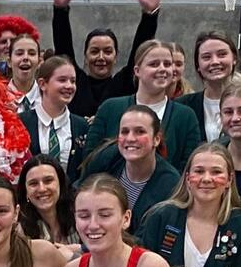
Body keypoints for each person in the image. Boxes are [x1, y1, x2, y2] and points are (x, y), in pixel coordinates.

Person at [48, 0, 163, 119]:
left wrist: (149, 16)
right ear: (85, 56)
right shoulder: (74, 83)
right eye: (95, 51)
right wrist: (60, 10)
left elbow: (139, 53)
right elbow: (64, 48)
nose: (101, 57)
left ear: (116, 56)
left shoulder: (124, 83)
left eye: (108, 51)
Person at [83, 40, 203, 172]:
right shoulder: (110, 108)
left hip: (168, 191)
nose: (162, 69)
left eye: (167, 64)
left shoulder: (186, 116)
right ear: (137, 70)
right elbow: (90, 160)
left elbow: (189, 167)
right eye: (154, 64)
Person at [79, 106, 180, 232]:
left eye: (140, 131)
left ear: (156, 139)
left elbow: (152, 237)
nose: (130, 138)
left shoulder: (170, 183)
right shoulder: (106, 158)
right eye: (125, 132)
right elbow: (80, 196)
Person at [21, 55, 88, 183]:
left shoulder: (82, 125)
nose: (69, 86)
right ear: (42, 84)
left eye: (73, 81)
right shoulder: (21, 122)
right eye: (62, 80)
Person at [177, 31, 240, 142]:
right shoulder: (182, 106)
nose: (215, 61)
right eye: (206, 57)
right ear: (198, 66)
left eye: (222, 54)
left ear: (234, 59)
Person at [16, 153, 77, 249]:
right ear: (25, 191)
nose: (42, 189)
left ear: (61, 183)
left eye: (48, 181)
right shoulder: (19, 232)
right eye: (33, 183)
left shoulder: (79, 217)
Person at [4, 32, 43, 108]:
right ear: (9, 62)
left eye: (31, 53)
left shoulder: (49, 99)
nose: (25, 57)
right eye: (19, 53)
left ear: (39, 62)